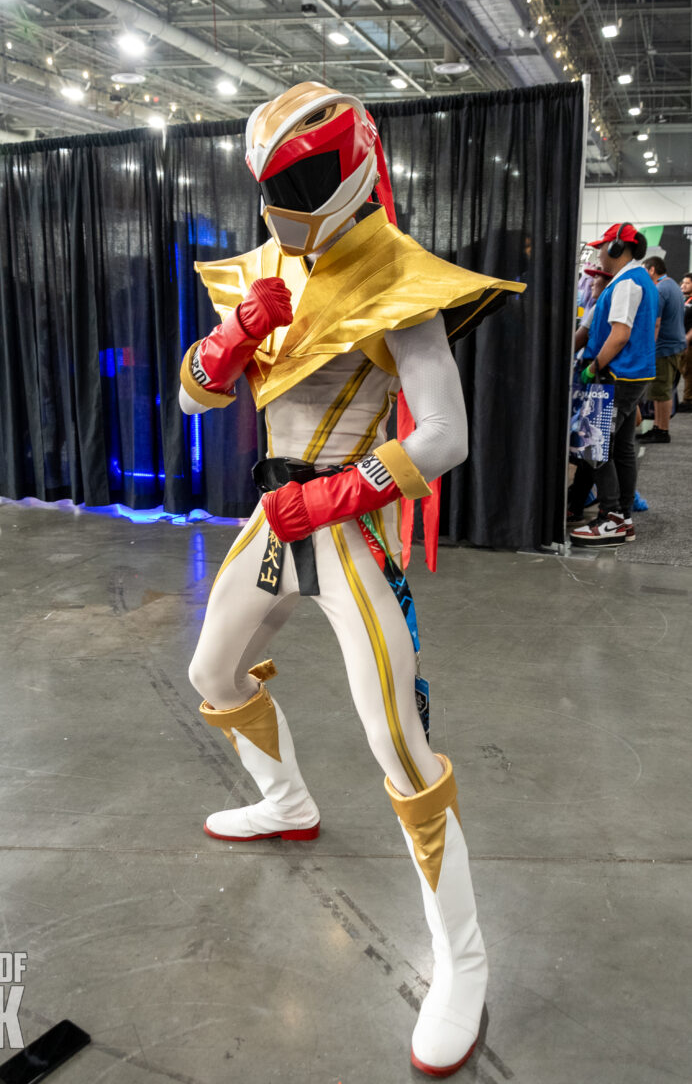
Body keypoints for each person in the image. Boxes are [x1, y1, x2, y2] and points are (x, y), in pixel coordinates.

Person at [178, 81, 525, 1078]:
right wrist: (239, 330)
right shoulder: (263, 266)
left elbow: (445, 434)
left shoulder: (395, 278)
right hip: (270, 517)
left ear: (355, 162)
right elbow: (197, 393)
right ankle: (284, 797)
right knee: (212, 673)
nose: (286, 199)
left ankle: (463, 959)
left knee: (399, 745)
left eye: (304, 176)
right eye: (272, 182)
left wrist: (333, 500)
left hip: (346, 527)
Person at [571, 223, 658, 548]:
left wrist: (595, 366)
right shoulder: (632, 281)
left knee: (596, 447)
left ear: (619, 248)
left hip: (616, 376)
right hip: (628, 376)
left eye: (602, 247)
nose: (598, 254)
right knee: (621, 449)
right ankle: (623, 516)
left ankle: (611, 518)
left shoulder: (628, 284)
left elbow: (619, 335)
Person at [568, 263, 613, 524]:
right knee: (594, 445)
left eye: (595, 282)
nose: (590, 285)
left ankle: (579, 503)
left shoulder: (597, 308)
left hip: (592, 379)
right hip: (601, 379)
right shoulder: (604, 306)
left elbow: (580, 338)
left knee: (589, 445)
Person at [636, 252, 686, 443]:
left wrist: (649, 348)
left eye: (645, 270)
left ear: (652, 269)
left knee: (661, 390)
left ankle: (662, 430)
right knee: (662, 390)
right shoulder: (672, 285)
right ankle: (658, 426)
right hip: (674, 346)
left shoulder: (660, 289)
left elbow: (656, 323)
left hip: (664, 348)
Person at [674, 272, 692, 413]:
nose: (683, 285)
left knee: (688, 371)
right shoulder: (684, 299)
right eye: (683, 282)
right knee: (683, 370)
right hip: (680, 341)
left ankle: (688, 400)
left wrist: (687, 338)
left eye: (687, 283)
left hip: (689, 342)